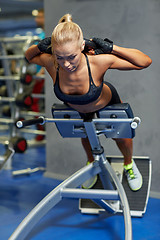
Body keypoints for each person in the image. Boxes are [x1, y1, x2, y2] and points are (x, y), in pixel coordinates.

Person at [25, 14, 152, 191]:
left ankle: (129, 164)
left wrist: (112, 48)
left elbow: (144, 62)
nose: (66, 64)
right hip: (78, 108)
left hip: (105, 103)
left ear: (82, 46)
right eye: (60, 57)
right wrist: (39, 47)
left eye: (71, 57)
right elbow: (29, 56)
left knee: (121, 137)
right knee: (85, 136)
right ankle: (91, 163)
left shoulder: (97, 62)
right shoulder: (51, 63)